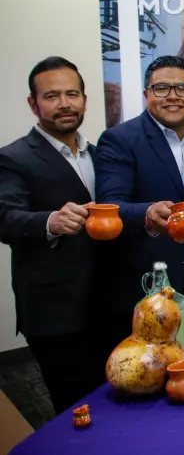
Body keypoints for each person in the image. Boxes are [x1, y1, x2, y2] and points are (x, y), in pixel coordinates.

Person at [0, 56, 102, 413]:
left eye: (72, 94)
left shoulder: (99, 154)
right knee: (75, 410)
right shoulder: (13, 158)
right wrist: (49, 222)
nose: (64, 104)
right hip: (55, 315)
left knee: (117, 401)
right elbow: (5, 218)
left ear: (85, 100)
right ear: (34, 103)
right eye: (52, 96)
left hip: (105, 306)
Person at [95, 55, 184, 351]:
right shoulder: (119, 140)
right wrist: (147, 212)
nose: (173, 96)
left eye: (182, 88)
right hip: (149, 284)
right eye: (161, 88)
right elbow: (111, 204)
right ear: (146, 94)